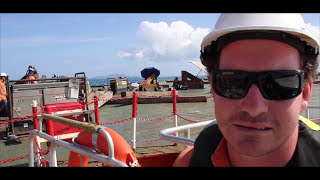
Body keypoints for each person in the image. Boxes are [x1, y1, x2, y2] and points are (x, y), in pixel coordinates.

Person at [174, 13, 320, 167]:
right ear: (214, 89)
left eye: (278, 84)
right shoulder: (192, 159)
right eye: (232, 83)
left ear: (304, 93)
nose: (254, 108)